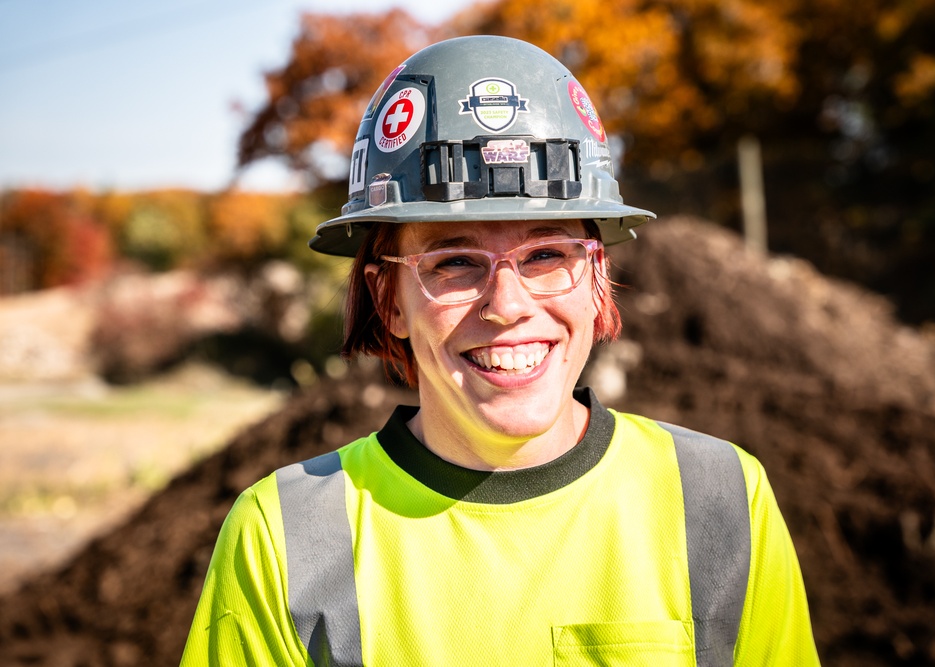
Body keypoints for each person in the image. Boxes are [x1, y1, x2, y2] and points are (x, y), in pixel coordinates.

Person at [180, 35, 820, 666]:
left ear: (597, 281)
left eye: (547, 255)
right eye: (454, 262)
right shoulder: (284, 540)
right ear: (389, 301)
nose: (507, 305)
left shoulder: (721, 501)